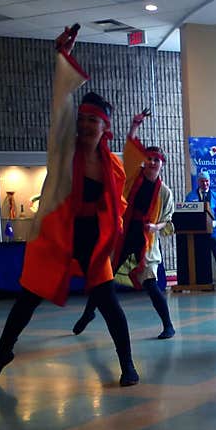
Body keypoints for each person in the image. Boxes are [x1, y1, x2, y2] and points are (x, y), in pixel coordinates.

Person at [0, 23, 139, 387]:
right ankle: (3, 351)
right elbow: (61, 106)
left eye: (91, 121)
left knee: (109, 302)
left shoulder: (111, 164)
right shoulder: (63, 152)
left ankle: (127, 365)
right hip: (59, 233)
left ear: (104, 128)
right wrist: (62, 57)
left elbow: (119, 206)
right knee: (27, 298)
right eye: (80, 119)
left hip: (92, 240)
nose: (83, 125)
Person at [71, 110, 177, 340]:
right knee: (103, 278)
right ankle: (89, 313)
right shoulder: (132, 178)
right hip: (122, 234)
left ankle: (168, 324)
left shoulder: (165, 193)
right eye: (149, 158)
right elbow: (130, 151)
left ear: (162, 165)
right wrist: (134, 125)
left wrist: (155, 228)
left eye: (156, 160)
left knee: (150, 283)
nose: (151, 162)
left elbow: (167, 221)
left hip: (144, 241)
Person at [185, 170, 216, 288]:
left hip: (213, 232)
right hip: (197, 233)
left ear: (209, 182)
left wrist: (213, 224)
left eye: (207, 181)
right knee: (201, 257)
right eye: (202, 181)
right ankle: (204, 281)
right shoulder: (191, 196)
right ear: (198, 182)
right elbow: (187, 213)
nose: (205, 184)